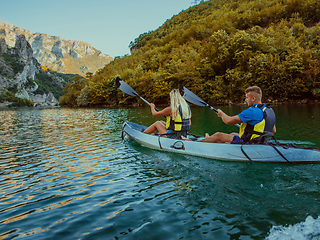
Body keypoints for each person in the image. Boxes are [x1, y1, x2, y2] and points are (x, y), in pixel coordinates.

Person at [199, 86, 276, 144]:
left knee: (218, 135)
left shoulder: (251, 111)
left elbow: (228, 121)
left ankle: (195, 144)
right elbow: (273, 131)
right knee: (232, 134)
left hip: (251, 143)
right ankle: (211, 141)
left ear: (253, 98)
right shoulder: (268, 110)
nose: (246, 100)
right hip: (262, 141)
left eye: (247, 98)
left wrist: (221, 113)